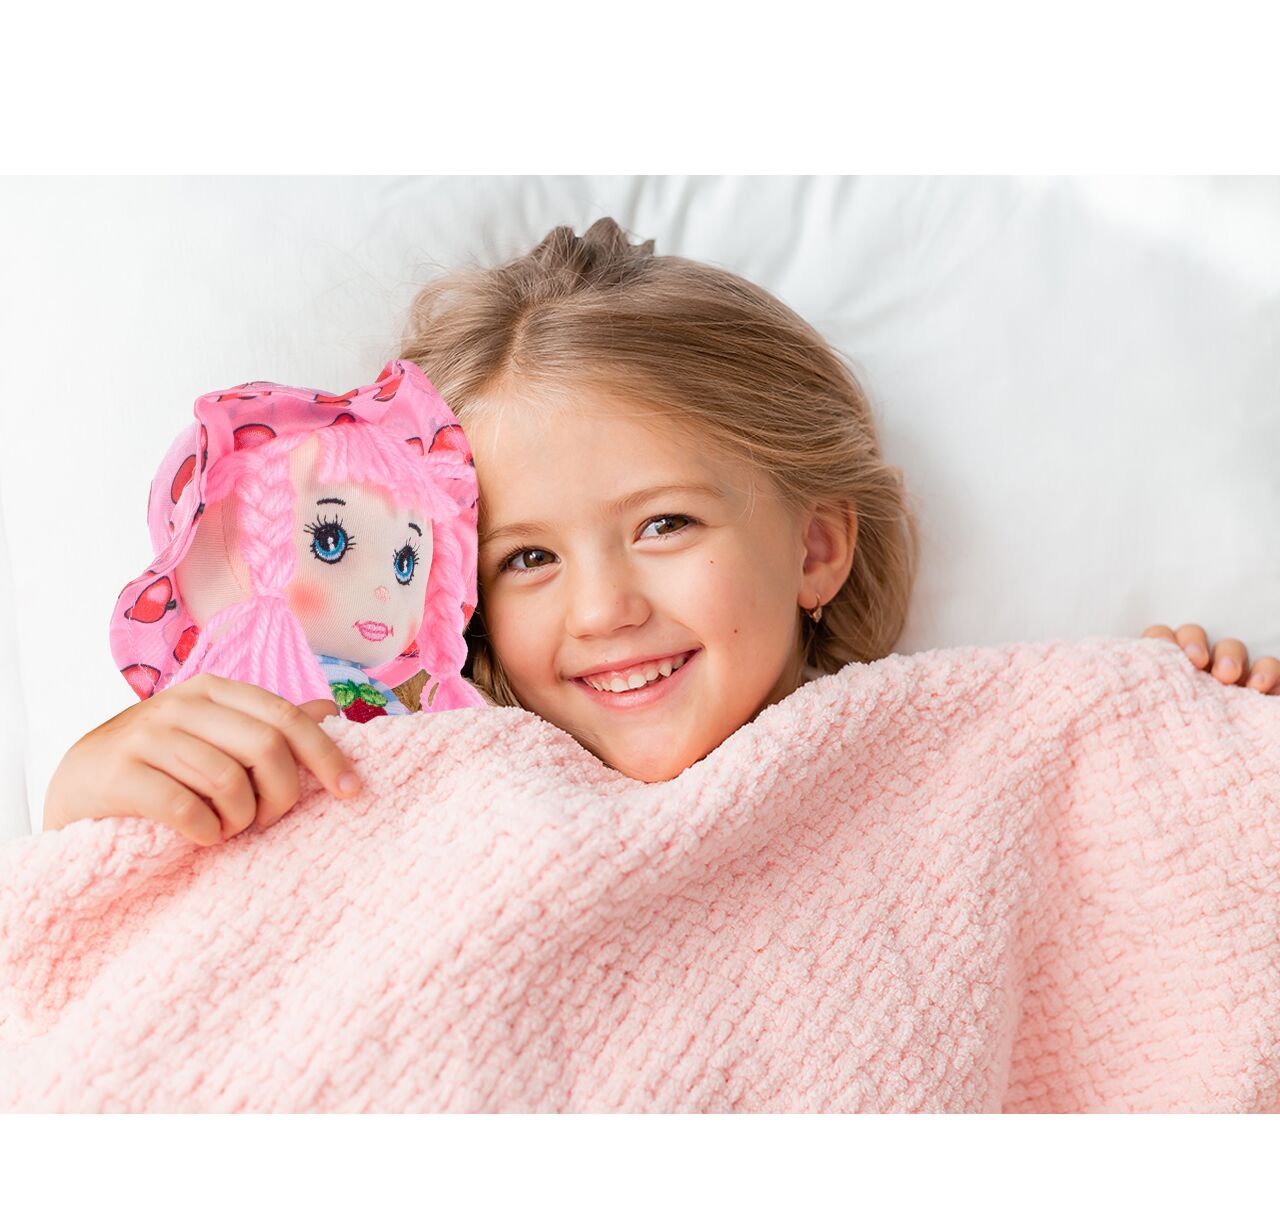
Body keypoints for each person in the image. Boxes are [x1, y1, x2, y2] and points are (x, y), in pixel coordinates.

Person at [42, 219, 1280, 842]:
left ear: (814, 549)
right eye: (529, 558)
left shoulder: (947, 757)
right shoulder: (397, 768)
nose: (603, 609)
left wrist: (1155, 737)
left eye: (665, 524)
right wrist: (99, 790)